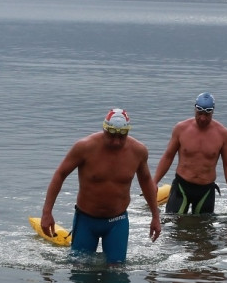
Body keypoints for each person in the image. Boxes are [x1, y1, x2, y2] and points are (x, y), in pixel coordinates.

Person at [41, 108, 162, 263]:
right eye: (112, 136)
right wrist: (47, 212)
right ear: (104, 130)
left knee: (117, 272)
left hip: (117, 221)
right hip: (86, 220)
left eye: (121, 136)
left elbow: (146, 181)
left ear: (127, 132)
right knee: (80, 270)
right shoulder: (85, 147)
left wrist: (155, 216)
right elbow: (60, 174)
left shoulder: (138, 151)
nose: (116, 141)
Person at [153, 92, 227, 216]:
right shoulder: (181, 129)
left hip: (205, 190)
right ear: (194, 109)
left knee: (204, 230)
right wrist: (154, 182)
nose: (203, 118)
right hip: (182, 186)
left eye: (207, 114)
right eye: (199, 113)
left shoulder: (223, 134)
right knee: (172, 225)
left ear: (213, 112)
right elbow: (168, 156)